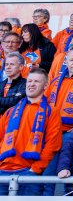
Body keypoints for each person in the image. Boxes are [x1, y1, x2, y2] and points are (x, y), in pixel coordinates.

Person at [0, 69, 62, 197]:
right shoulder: (11, 111)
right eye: (29, 81)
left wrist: (35, 169)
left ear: (45, 86)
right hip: (2, 171)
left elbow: (53, 144)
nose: (31, 84)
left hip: (28, 174)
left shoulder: (51, 111)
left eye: (36, 81)